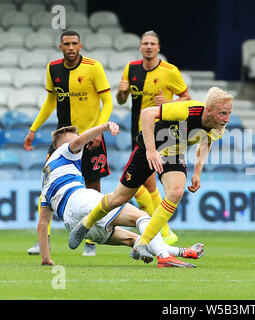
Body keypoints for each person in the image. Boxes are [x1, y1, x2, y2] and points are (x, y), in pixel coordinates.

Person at [68, 87, 233, 262]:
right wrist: (152, 151)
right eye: (223, 113)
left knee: (176, 192)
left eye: (229, 113)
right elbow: (147, 114)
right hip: (148, 147)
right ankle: (85, 223)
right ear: (208, 110)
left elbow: (206, 141)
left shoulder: (219, 127)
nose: (227, 119)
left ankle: (142, 244)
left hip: (173, 154)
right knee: (118, 199)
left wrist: (198, 172)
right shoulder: (188, 109)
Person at [38, 122, 203, 268]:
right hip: (80, 200)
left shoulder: (45, 178)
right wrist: (105, 127)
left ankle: (184, 252)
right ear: (61, 146)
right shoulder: (63, 152)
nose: (81, 142)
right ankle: (164, 257)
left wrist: (45, 258)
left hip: (70, 221)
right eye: (74, 140)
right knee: (141, 216)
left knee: (135, 240)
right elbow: (79, 142)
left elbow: (43, 223)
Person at [24, 30, 113, 257]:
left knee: (93, 191)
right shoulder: (52, 68)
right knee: (47, 188)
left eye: (74, 43)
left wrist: (99, 132)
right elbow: (50, 102)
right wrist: (33, 129)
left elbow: (108, 101)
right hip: (62, 142)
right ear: (60, 46)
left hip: (91, 140)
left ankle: (91, 242)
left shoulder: (94, 67)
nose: (71, 47)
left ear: (80, 45)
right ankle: (44, 241)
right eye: (66, 44)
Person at [116, 30, 191, 245]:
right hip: (137, 134)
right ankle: (164, 231)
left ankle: (164, 231)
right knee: (146, 186)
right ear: (140, 47)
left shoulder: (170, 71)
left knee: (144, 184)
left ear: (158, 48)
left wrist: (168, 104)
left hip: (161, 135)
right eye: (145, 43)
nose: (148, 46)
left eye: (152, 44)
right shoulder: (131, 69)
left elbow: (187, 99)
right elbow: (121, 101)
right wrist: (121, 94)